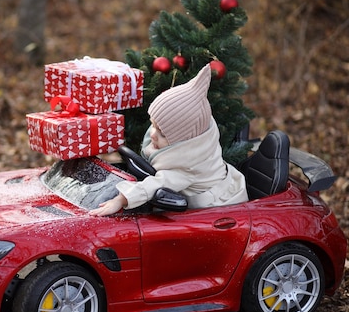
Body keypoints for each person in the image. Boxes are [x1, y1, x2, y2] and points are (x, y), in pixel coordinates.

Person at [90, 64, 248, 216]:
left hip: (215, 210)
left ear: (184, 141)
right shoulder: (196, 133)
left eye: (162, 134)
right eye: (153, 125)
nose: (152, 134)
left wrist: (120, 200)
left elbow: (157, 184)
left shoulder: (188, 166)